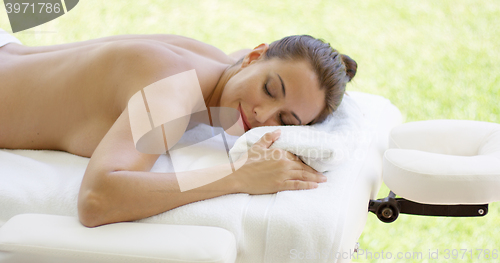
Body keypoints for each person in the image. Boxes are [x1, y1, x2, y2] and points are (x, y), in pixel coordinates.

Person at [0, 33, 357, 227]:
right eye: (269, 89)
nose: (263, 115)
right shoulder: (174, 88)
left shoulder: (214, 61)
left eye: (286, 121)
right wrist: (239, 176)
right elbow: (97, 199)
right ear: (254, 56)